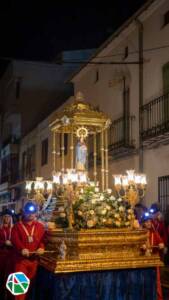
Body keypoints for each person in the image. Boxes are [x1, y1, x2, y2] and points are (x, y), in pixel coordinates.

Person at [11, 201, 45, 300]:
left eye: (33, 212)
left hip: (34, 261)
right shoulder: (17, 226)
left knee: (30, 288)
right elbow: (15, 240)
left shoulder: (40, 226)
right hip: (21, 261)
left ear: (36, 213)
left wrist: (41, 248)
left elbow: (43, 240)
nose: (31, 214)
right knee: (19, 288)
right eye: (28, 212)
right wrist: (21, 249)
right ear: (24, 212)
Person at [140, 212, 164, 300]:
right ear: (143, 223)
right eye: (146, 222)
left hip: (153, 261)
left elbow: (161, 243)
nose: (149, 223)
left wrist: (161, 245)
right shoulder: (140, 234)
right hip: (143, 262)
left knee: (155, 280)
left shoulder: (155, 233)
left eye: (150, 221)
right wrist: (142, 247)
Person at [0, 209, 14, 299]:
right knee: (1, 275)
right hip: (1, 254)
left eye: (9, 217)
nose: (7, 218)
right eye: (5, 217)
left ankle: (9, 294)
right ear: (2, 218)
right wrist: (4, 243)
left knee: (10, 275)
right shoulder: (0, 229)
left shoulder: (14, 228)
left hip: (11, 255)